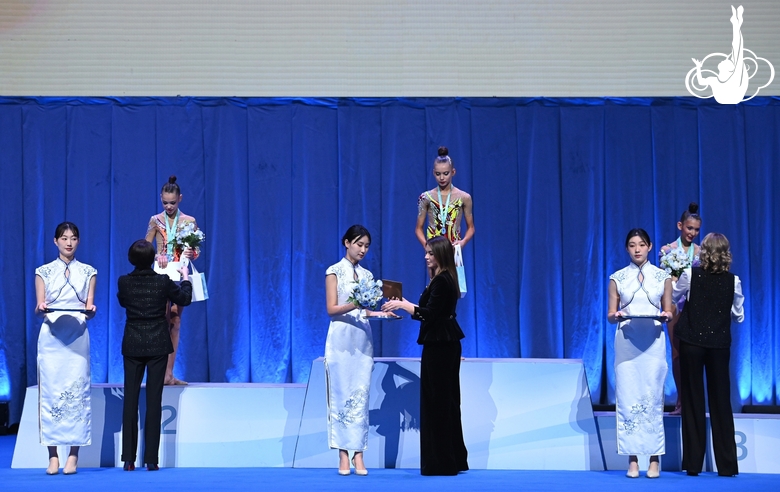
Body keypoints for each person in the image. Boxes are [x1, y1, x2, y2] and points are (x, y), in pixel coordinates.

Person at [382, 235, 469, 476]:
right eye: (426, 252)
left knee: (438, 402)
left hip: (440, 345)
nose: (426, 256)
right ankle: (451, 458)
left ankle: (442, 462)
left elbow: (430, 314)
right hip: (443, 343)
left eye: (430, 253)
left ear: (440, 254)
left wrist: (403, 306)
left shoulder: (442, 281)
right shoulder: (441, 280)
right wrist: (405, 302)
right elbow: (429, 311)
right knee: (446, 401)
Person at [673, 233, 744, 477]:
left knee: (693, 401)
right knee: (721, 401)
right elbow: (738, 314)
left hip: (691, 342)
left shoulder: (689, 275)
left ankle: (693, 464)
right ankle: (726, 466)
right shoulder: (733, 281)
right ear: (726, 253)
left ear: (703, 251)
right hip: (718, 345)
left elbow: (675, 297)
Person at [117, 240, 192, 471]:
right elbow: (184, 298)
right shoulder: (162, 282)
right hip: (158, 344)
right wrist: (186, 278)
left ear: (131, 259)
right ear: (152, 260)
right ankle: (151, 460)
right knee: (154, 401)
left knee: (130, 400)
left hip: (133, 344)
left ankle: (129, 459)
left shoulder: (124, 282)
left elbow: (122, 301)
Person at [607, 229, 673, 479]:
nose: (637, 249)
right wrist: (618, 315)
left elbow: (669, 311)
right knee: (628, 397)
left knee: (653, 397)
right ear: (627, 249)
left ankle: (654, 459)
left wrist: (668, 315)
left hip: (654, 341)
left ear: (649, 247)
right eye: (632, 245)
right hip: (627, 342)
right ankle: (632, 459)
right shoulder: (617, 277)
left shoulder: (662, 276)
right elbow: (611, 315)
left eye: (642, 245)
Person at [34, 222, 97, 475]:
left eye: (73, 238)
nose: (68, 242)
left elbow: (89, 306)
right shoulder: (43, 271)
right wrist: (41, 308)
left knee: (77, 393)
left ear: (78, 241)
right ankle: (52, 455)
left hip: (77, 336)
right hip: (51, 336)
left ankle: (73, 454)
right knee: (50, 393)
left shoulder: (89, 271)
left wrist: (90, 311)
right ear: (55, 241)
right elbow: (39, 306)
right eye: (64, 238)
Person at [324, 225, 385, 476]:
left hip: (362, 339)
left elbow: (365, 311)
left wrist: (381, 313)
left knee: (361, 395)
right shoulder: (333, 271)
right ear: (347, 242)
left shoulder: (368, 275)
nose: (363, 249)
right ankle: (342, 455)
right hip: (340, 338)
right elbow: (331, 309)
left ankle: (359, 454)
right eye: (359, 244)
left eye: (367, 246)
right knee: (339, 395)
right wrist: (355, 303)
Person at [145, 175, 200, 385]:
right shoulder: (155, 220)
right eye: (165, 202)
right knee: (163, 321)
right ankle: (158, 374)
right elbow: (143, 246)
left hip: (180, 275)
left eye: (173, 203)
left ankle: (169, 374)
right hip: (161, 273)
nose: (169, 206)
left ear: (180, 199)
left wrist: (191, 254)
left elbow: (196, 250)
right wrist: (154, 255)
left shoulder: (189, 221)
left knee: (175, 322)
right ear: (160, 198)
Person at [659, 202, 702, 415]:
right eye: (689, 228)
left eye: (696, 230)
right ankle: (681, 399)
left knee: (693, 354)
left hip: (694, 307)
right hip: (675, 307)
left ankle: (693, 400)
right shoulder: (667, 251)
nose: (692, 233)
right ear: (680, 226)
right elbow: (663, 283)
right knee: (677, 353)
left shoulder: (701, 253)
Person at [415, 147, 475, 249]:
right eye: (438, 174)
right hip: (434, 252)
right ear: (434, 173)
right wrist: (427, 246)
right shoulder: (425, 197)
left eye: (446, 173)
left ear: (453, 172)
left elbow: (471, 228)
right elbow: (418, 228)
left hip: (454, 250)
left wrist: (463, 242)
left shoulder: (464, 197)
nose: (442, 178)